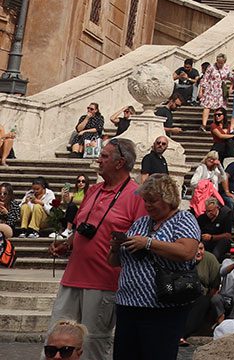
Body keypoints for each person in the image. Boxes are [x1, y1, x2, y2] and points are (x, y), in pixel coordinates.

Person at [47, 137, 144, 360]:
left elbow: (138, 239)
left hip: (104, 282)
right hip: (72, 277)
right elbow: (83, 226)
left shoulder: (136, 195)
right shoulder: (94, 190)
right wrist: (67, 243)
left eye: (104, 156)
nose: (98, 160)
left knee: (92, 346)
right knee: (56, 340)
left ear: (119, 163)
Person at [109, 172, 202, 360]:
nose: (148, 205)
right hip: (129, 304)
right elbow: (113, 262)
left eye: (153, 201)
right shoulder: (141, 222)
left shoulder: (183, 219)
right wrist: (116, 248)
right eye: (146, 201)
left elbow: (187, 252)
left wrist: (149, 243)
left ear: (168, 199)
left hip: (163, 307)